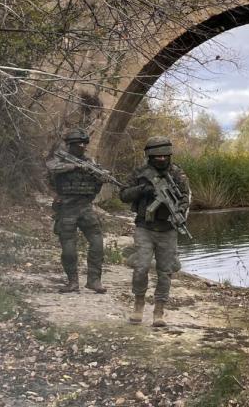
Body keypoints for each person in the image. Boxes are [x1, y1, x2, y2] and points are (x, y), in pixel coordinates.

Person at [119, 136, 191, 327]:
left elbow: (185, 197)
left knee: (165, 272)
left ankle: (159, 310)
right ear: (149, 156)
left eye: (165, 156)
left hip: (168, 229)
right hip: (145, 227)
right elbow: (123, 195)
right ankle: (138, 305)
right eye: (157, 156)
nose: (161, 159)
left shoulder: (177, 174)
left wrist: (179, 211)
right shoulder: (140, 172)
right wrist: (143, 189)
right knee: (141, 267)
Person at [45, 128, 108, 294]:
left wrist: (101, 176)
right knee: (68, 249)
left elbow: (97, 183)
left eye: (83, 144)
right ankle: (72, 281)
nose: (82, 146)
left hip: (85, 207)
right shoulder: (58, 159)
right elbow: (52, 168)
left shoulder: (90, 162)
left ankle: (94, 280)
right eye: (78, 144)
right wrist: (74, 167)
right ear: (70, 145)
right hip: (66, 208)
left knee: (97, 242)